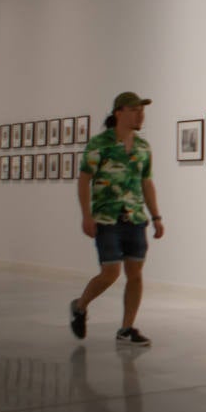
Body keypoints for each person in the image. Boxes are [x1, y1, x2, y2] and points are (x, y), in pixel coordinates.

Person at [70, 92, 164, 346]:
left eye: (142, 110)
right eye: (135, 110)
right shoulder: (100, 144)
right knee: (110, 272)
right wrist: (86, 215)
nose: (140, 114)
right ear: (119, 113)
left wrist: (156, 216)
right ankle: (80, 306)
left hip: (134, 217)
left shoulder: (144, 147)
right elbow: (84, 180)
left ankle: (126, 328)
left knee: (135, 273)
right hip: (106, 218)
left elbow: (147, 182)